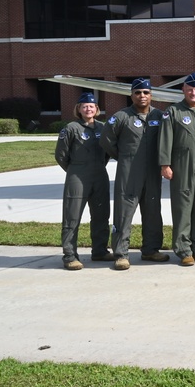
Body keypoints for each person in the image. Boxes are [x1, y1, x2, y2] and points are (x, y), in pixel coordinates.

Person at [100, 78, 166, 270]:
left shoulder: (158, 116)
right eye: (138, 92)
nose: (142, 96)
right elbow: (106, 139)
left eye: (146, 92)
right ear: (131, 95)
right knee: (124, 212)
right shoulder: (121, 117)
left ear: (151, 94)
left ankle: (151, 250)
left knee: (153, 211)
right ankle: (121, 254)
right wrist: (122, 156)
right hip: (129, 172)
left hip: (152, 172)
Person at [158, 74, 195, 266]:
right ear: (183, 91)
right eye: (190, 89)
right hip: (181, 166)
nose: (193, 93)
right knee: (183, 207)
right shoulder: (173, 112)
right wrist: (165, 164)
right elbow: (165, 139)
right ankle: (184, 250)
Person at [55, 92, 111, 271]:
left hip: (100, 174)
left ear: (97, 109)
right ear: (78, 109)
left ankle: (100, 250)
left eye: (92, 106)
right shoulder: (71, 128)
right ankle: (70, 255)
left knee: (102, 214)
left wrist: (97, 167)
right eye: (84, 106)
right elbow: (61, 155)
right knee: (72, 216)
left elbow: (108, 152)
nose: (88, 109)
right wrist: (74, 170)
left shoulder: (103, 128)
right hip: (77, 175)